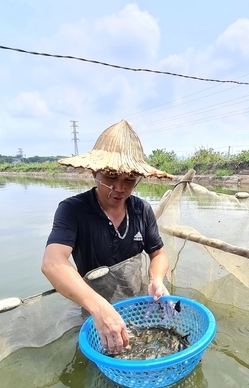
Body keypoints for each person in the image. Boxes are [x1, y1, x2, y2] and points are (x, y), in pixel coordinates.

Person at [41, 120, 174, 354]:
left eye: (129, 179)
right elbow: (53, 263)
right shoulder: (73, 210)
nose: (119, 188)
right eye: (111, 177)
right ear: (95, 172)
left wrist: (156, 279)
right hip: (95, 309)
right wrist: (99, 308)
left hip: (136, 306)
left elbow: (158, 253)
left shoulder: (141, 209)